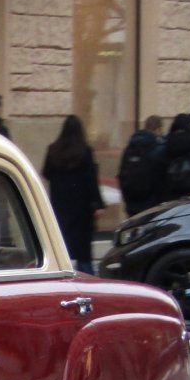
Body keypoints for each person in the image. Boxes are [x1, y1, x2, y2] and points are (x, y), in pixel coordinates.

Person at [42, 114, 104, 274]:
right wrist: (98, 204)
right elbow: (91, 179)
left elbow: (46, 173)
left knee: (62, 245)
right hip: (81, 207)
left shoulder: (53, 150)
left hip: (60, 203)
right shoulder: (85, 151)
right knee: (83, 253)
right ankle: (87, 277)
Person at [118, 115, 166, 216]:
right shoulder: (157, 148)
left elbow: (121, 174)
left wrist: (127, 199)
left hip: (131, 204)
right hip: (151, 205)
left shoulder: (129, 148)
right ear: (158, 129)